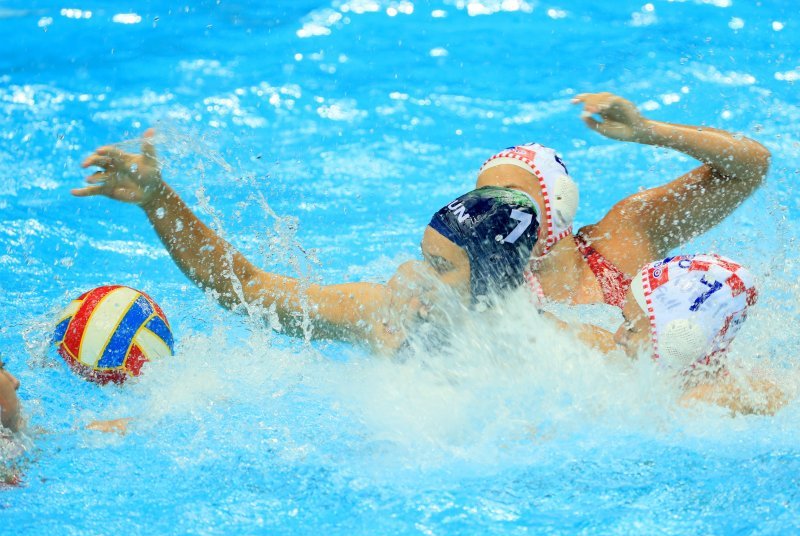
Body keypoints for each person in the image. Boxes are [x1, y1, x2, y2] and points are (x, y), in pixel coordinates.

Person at [73, 140, 541, 353]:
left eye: (440, 268)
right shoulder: (384, 319)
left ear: (490, 282)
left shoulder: (554, 355)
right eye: (423, 258)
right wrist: (159, 200)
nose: (416, 277)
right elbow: (245, 287)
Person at [476, 92, 771, 308]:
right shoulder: (488, 294)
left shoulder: (623, 237)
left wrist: (648, 130)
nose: (497, 214)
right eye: (485, 203)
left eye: (513, 195)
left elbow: (750, 167)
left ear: (559, 199)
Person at [576, 254, 785, 415]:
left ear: (679, 342)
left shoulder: (702, 401)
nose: (618, 336)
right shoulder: (686, 375)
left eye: (631, 327)